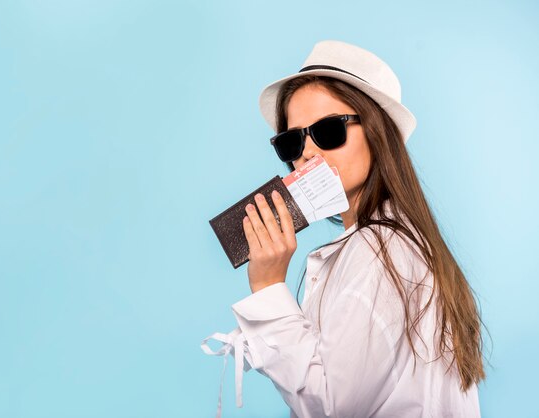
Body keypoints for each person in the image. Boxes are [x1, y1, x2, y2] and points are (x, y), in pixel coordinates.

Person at [201, 40, 485, 418]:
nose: (307, 152)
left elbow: (329, 407)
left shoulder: (379, 252)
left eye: (329, 131)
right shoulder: (385, 244)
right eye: (292, 140)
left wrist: (268, 286)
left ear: (378, 134)